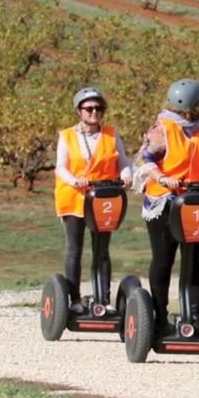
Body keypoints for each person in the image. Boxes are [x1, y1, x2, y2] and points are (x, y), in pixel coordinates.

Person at [134, 79, 199, 336]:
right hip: (164, 202)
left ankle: (193, 317)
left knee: (195, 260)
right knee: (164, 259)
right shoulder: (162, 129)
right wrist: (162, 177)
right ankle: (160, 317)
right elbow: (144, 158)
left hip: (195, 201)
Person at [54, 87, 132, 314]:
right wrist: (74, 180)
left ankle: (103, 299)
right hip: (75, 197)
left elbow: (123, 162)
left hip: (103, 198)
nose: (94, 112)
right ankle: (74, 299)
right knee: (74, 249)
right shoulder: (67, 136)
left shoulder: (111, 134)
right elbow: (60, 166)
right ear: (79, 111)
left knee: (102, 250)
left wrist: (126, 175)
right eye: (89, 108)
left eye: (98, 108)